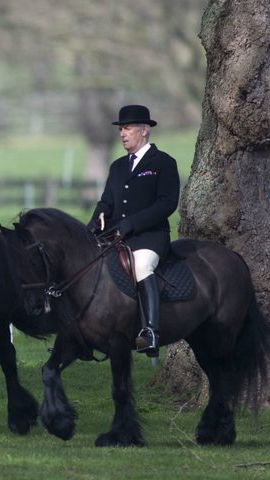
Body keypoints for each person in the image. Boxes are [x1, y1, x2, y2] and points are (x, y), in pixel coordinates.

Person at [89, 105, 180, 357]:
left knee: (141, 266)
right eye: (120, 129)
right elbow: (106, 202)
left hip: (149, 237)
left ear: (144, 130)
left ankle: (151, 331)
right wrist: (94, 221)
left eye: (127, 128)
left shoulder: (163, 163)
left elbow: (166, 204)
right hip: (117, 237)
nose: (122, 133)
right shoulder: (117, 167)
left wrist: (132, 224)